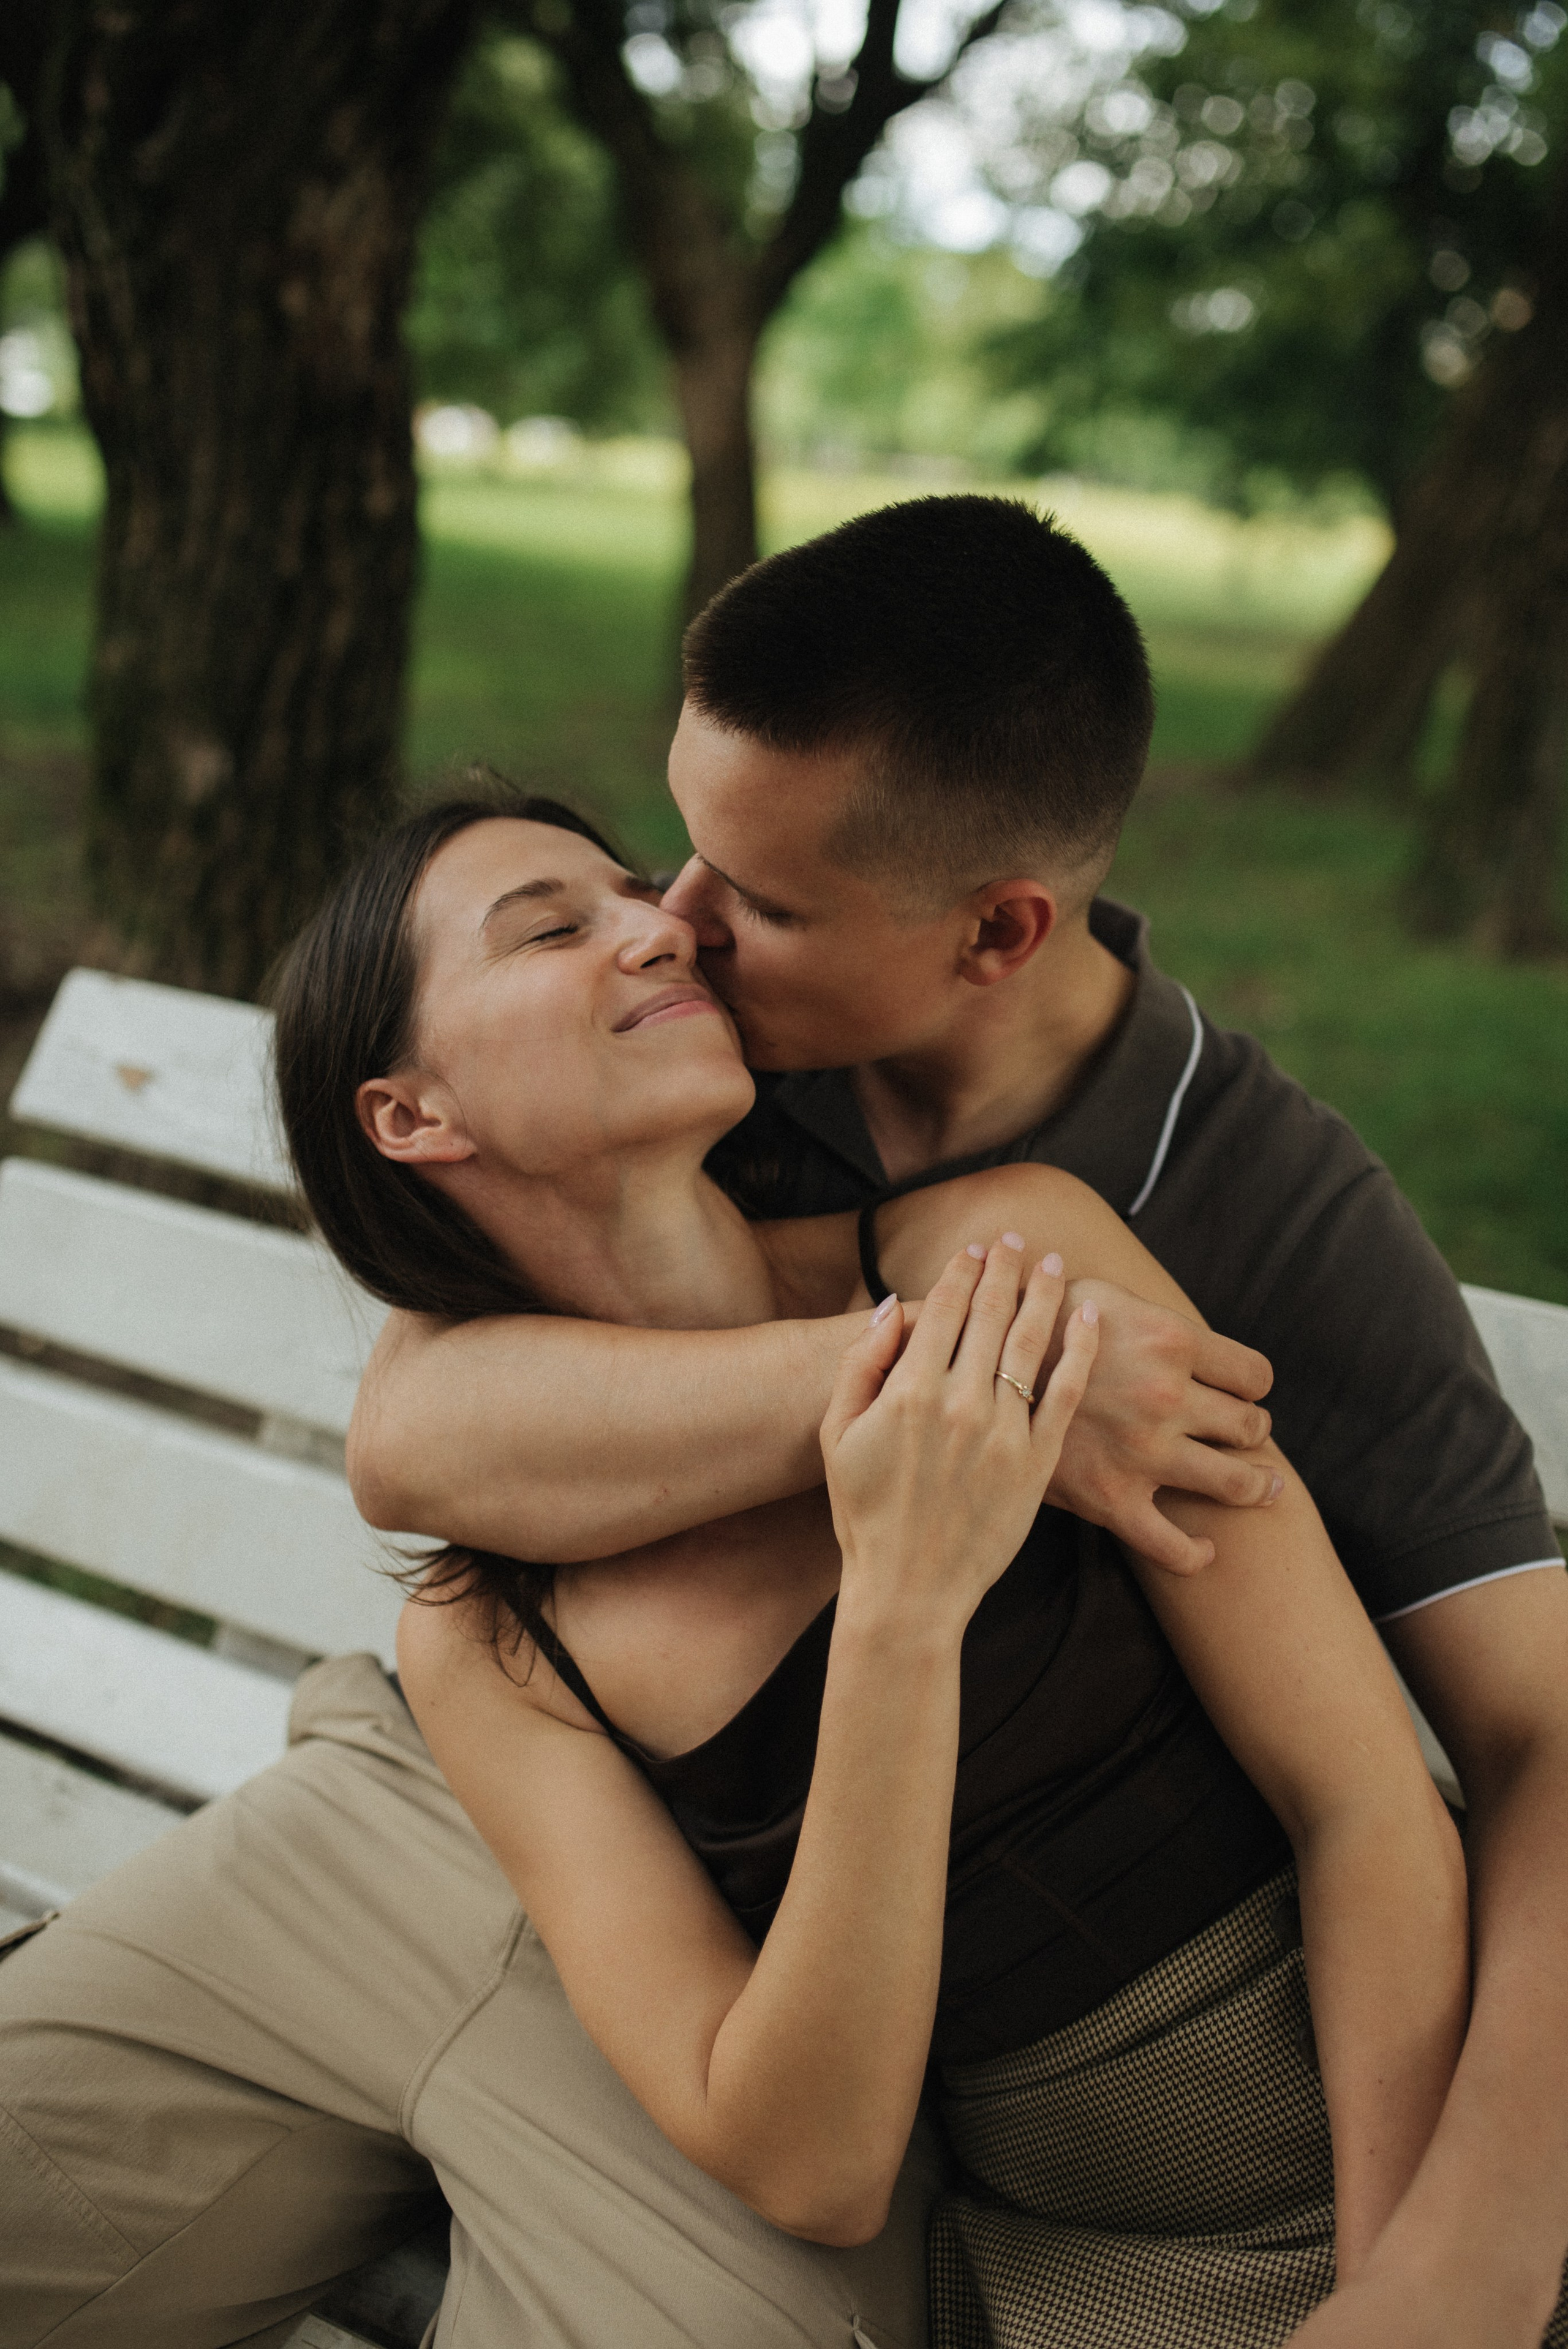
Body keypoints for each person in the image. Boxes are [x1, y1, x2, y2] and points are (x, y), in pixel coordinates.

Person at [352, 497, 1568, 2346]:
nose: (676, 926)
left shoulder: (1266, 1215)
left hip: (1237, 2087)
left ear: (999, 928)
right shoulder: (716, 1076)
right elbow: (416, 1432)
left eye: (754, 899)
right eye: (682, 848)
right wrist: (932, 1378)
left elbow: (1536, 1739)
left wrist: (1447, 2271)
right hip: (633, 1872)